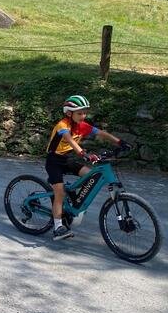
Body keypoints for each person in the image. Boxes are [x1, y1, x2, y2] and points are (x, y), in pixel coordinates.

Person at [45, 94, 129, 241]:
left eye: (85, 112)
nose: (83, 116)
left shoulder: (82, 126)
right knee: (59, 193)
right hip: (53, 162)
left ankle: (72, 197)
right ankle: (58, 226)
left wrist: (120, 142)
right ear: (69, 113)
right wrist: (84, 154)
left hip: (67, 159)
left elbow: (101, 133)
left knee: (91, 175)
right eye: (79, 113)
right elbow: (70, 141)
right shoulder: (62, 126)